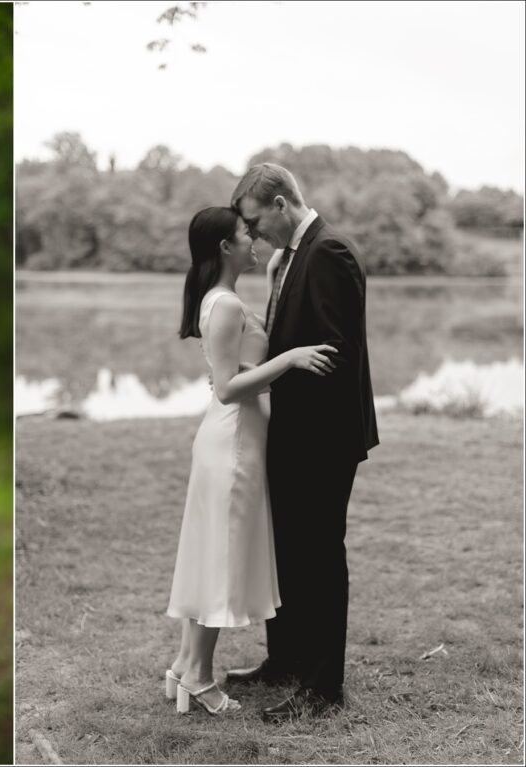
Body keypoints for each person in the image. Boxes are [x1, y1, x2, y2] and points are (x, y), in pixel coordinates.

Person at [164, 206, 338, 716]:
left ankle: (182, 665)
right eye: (246, 233)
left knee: (209, 554)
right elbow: (225, 389)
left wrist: (279, 264)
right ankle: (198, 676)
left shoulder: (228, 299)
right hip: (232, 444)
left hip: (238, 442)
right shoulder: (223, 306)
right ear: (224, 246)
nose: (255, 238)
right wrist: (290, 358)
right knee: (219, 558)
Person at [225, 163, 379, 721]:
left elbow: (336, 354)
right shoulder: (289, 257)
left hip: (323, 438)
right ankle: (284, 661)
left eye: (256, 220)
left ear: (281, 204)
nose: (255, 233)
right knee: (286, 549)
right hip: (288, 432)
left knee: (317, 556)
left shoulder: (329, 252)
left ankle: (322, 687)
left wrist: (278, 391)